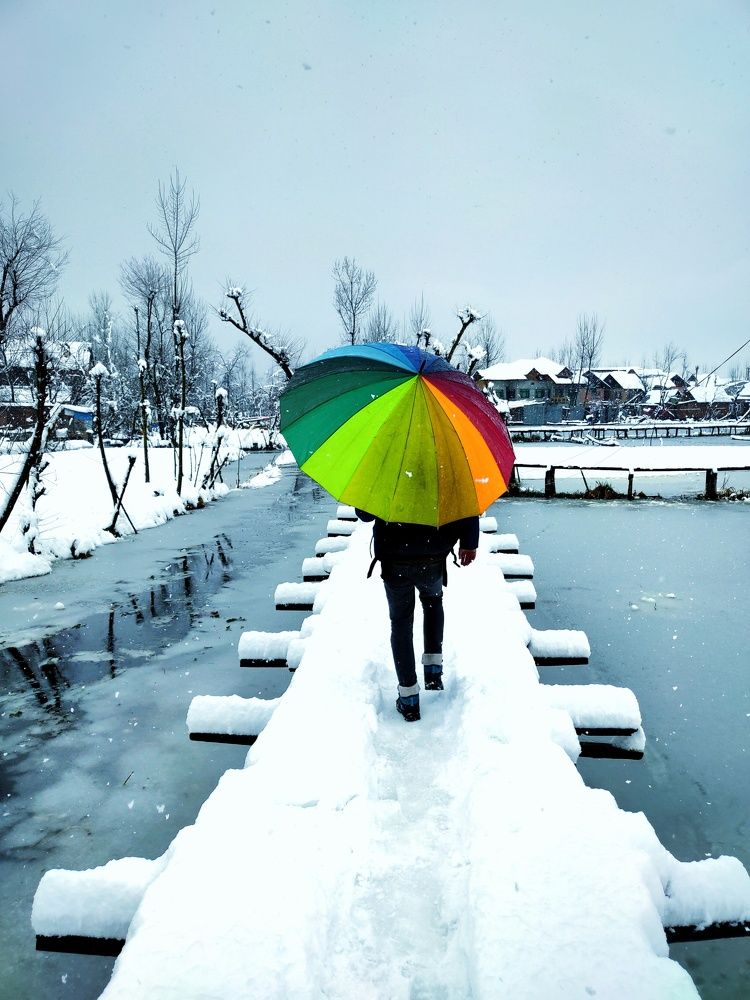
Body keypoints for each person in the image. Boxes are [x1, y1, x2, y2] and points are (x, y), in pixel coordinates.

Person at [356, 509, 479, 722]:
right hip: (433, 551)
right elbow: (466, 500)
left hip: (395, 555)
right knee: (432, 603)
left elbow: (364, 515)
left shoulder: (385, 474)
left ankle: (409, 699)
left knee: (401, 622)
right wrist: (469, 541)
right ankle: (432, 673)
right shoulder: (446, 474)